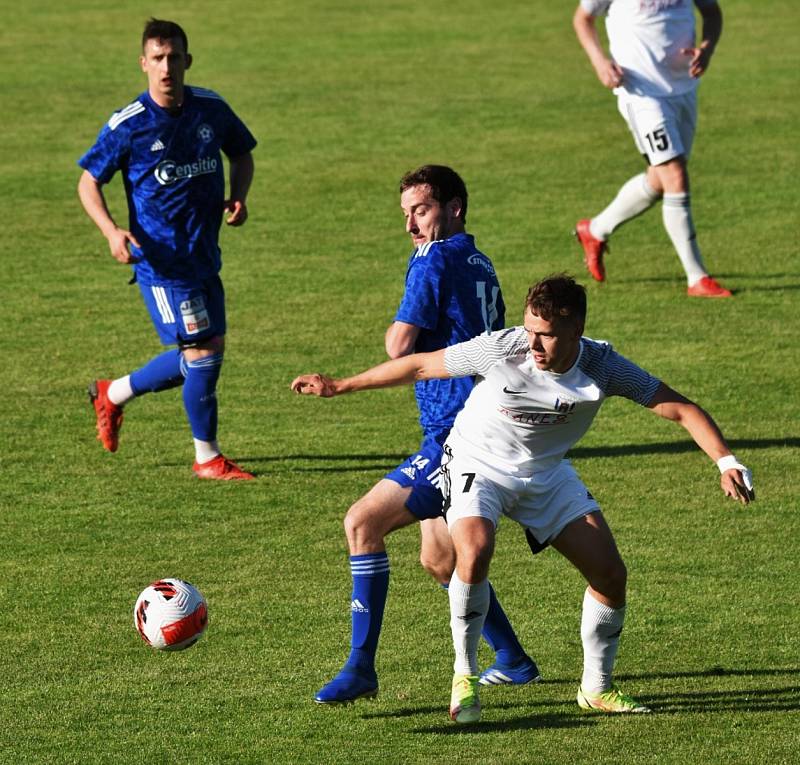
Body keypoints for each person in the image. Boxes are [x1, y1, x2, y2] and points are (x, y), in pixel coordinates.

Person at [291, 273, 755, 723]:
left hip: (545, 474)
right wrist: (340, 385)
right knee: (472, 549)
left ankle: (596, 688)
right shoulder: (503, 347)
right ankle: (465, 677)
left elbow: (681, 408)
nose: (532, 345)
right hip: (477, 462)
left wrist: (726, 462)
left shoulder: (603, 366)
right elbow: (419, 364)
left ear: (577, 330)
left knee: (611, 575)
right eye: (530, 330)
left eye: (546, 335)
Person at [308, 165, 539, 705]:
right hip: (476, 419)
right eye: (406, 213)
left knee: (363, 523)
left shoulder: (433, 258)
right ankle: (514, 659)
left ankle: (360, 666)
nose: (412, 224)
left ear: (455, 207)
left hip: (457, 436)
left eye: (422, 210)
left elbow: (399, 346)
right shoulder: (481, 262)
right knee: (440, 559)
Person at [77, 18, 256, 479]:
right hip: (162, 265)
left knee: (203, 353)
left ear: (187, 61)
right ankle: (207, 458)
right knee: (202, 355)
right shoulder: (129, 126)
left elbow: (241, 152)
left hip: (203, 257)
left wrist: (240, 195)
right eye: (157, 58)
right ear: (143, 64)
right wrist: (112, 232)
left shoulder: (210, 109)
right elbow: (88, 182)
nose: (166, 67)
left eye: (174, 57)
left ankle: (111, 394)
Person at [573, 0, 732, 298]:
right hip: (641, 93)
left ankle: (594, 231)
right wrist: (599, 62)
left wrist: (706, 49)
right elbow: (583, 19)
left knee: (660, 180)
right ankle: (697, 278)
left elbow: (712, 12)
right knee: (675, 175)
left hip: (684, 89)